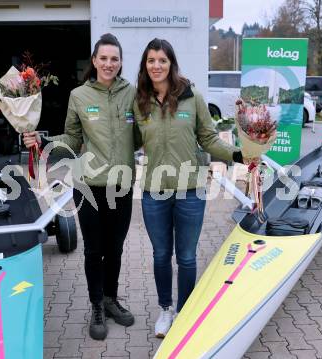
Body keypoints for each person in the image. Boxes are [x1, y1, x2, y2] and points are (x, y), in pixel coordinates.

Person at [23, 33, 137, 340]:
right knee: (94, 250)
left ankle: (112, 300)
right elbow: (72, 139)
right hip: (88, 187)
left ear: (121, 62)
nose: (109, 63)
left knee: (115, 250)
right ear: (94, 61)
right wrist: (43, 141)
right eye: (104, 58)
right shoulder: (79, 96)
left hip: (122, 187)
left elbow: (143, 135)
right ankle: (97, 305)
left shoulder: (133, 95)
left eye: (115, 58)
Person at [134, 38, 245, 338]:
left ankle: (184, 312)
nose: (156, 66)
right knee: (160, 255)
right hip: (154, 192)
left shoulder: (191, 96)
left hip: (191, 191)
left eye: (162, 60)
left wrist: (238, 154)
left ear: (171, 64)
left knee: (186, 257)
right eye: (151, 60)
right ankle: (165, 309)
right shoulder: (139, 100)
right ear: (145, 65)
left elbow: (208, 139)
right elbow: (127, 141)